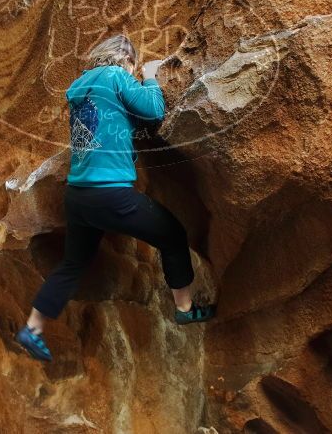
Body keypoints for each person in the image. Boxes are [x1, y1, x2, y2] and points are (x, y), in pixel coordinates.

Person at [15, 34, 215, 362]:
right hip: (110, 195)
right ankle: (185, 308)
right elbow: (153, 110)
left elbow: (105, 124)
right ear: (126, 60)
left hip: (78, 197)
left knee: (73, 263)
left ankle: (33, 327)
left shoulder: (80, 87)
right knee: (173, 235)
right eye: (133, 65)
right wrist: (150, 77)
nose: (134, 70)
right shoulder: (117, 76)